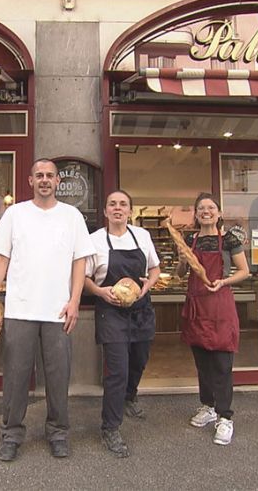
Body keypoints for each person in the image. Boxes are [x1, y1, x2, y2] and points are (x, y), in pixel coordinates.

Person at [0, 159, 95, 462]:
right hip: (20, 309)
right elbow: (0, 260)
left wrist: (74, 301)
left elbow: (79, 262)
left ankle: (58, 432)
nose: (44, 180)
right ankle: (11, 434)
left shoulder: (72, 216)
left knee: (58, 377)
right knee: (16, 377)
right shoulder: (15, 214)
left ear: (58, 181)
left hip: (58, 310)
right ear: (30, 180)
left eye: (50, 176)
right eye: (39, 175)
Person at [84, 190, 160, 458]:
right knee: (117, 370)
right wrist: (101, 292)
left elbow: (154, 269)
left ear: (130, 210)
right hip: (110, 311)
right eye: (112, 204)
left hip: (141, 309)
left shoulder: (142, 236)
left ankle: (130, 396)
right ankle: (111, 427)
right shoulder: (93, 241)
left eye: (123, 204)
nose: (118, 208)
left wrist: (146, 287)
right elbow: (84, 279)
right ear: (105, 211)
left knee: (139, 360)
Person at [176, 192, 249, 446]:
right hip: (197, 306)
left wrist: (223, 281)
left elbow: (244, 271)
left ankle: (225, 417)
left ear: (218, 213)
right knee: (202, 364)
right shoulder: (189, 239)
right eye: (201, 208)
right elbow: (181, 273)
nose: (206, 211)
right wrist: (183, 260)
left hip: (220, 307)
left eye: (210, 207)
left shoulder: (228, 240)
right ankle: (207, 406)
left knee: (221, 365)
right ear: (196, 214)